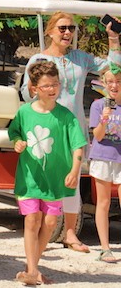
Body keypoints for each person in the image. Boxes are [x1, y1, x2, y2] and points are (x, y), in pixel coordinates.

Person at [21, 11, 121, 253]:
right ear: (50, 31)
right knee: (45, 177)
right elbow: (26, 93)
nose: (68, 33)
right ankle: (40, 231)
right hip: (46, 128)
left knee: (72, 181)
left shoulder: (80, 58)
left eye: (72, 29)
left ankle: (70, 233)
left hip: (74, 127)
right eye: (63, 28)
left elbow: (113, 68)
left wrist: (113, 39)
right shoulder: (38, 59)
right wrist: (36, 89)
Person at [9, 61, 86, 285]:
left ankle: (32, 267)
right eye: (47, 85)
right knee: (32, 220)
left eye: (55, 84)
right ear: (34, 88)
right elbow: (14, 132)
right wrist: (17, 142)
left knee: (51, 223)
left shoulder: (66, 116)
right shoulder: (24, 112)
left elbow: (78, 145)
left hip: (55, 181)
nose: (52, 89)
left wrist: (75, 170)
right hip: (30, 179)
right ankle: (33, 271)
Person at [88, 65, 121, 263]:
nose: (114, 85)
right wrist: (104, 120)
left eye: (118, 81)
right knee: (103, 202)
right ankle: (105, 248)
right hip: (102, 157)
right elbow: (98, 136)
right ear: (104, 83)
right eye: (110, 82)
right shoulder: (98, 105)